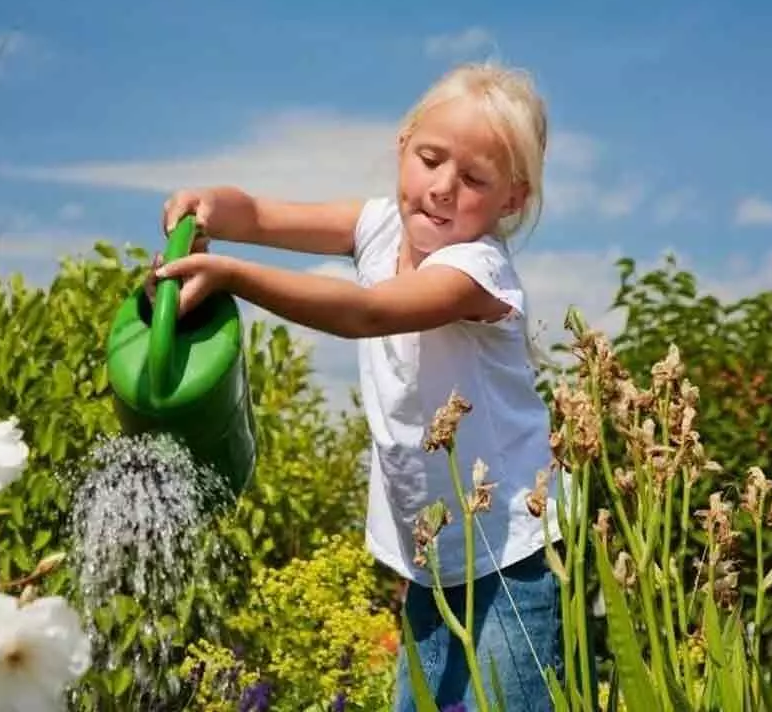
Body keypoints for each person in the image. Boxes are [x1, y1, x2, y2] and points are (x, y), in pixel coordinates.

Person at [152, 61, 563, 711]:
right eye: (430, 159)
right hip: (432, 567)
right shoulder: (377, 228)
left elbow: (365, 313)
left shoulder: (477, 270)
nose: (444, 188)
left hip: (508, 565)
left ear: (511, 200)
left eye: (475, 179)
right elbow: (256, 214)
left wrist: (231, 275)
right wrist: (208, 208)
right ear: (403, 146)